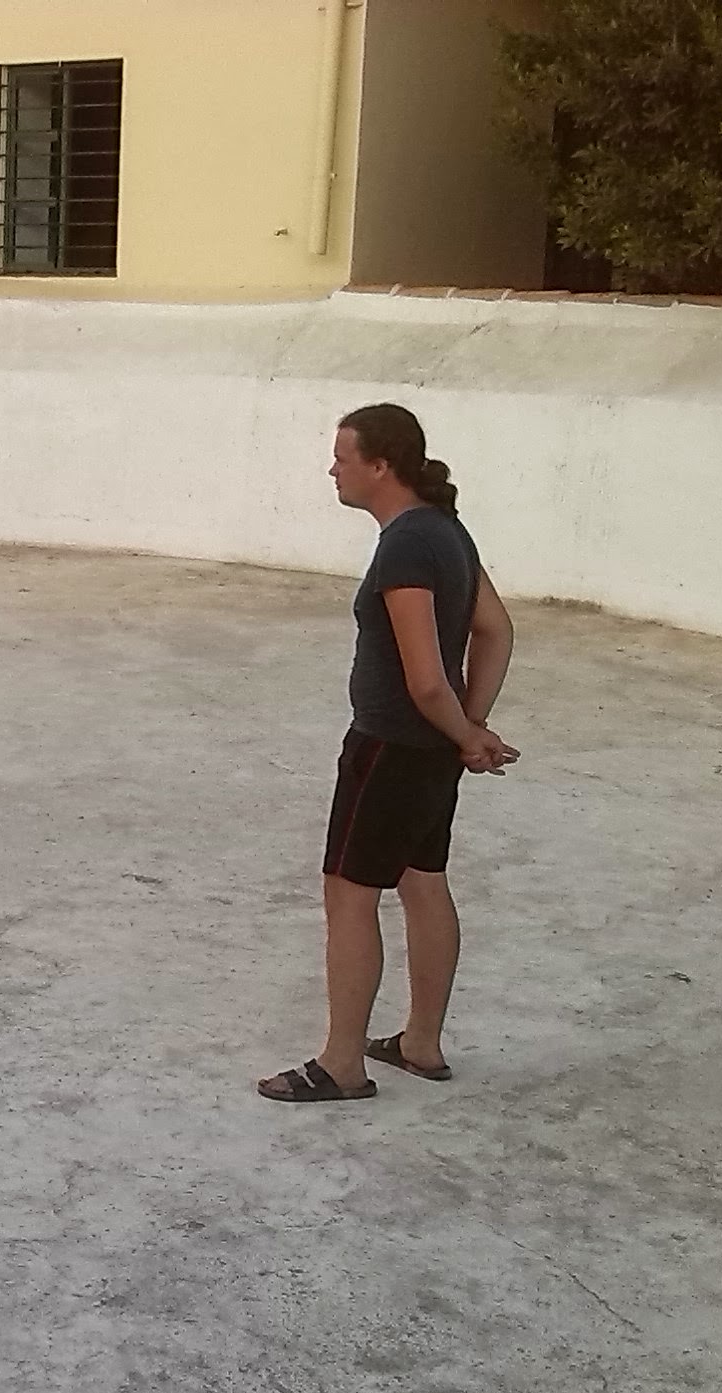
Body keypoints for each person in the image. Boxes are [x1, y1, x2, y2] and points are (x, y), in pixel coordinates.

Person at [258, 404, 517, 1104]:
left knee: (349, 894)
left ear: (380, 466)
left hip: (389, 748)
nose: (332, 470)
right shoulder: (446, 531)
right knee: (423, 881)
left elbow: (425, 677)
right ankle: (420, 1044)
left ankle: (342, 1064)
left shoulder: (405, 545)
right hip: (429, 751)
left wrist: (467, 732)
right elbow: (496, 629)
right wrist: (469, 726)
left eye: (342, 458)